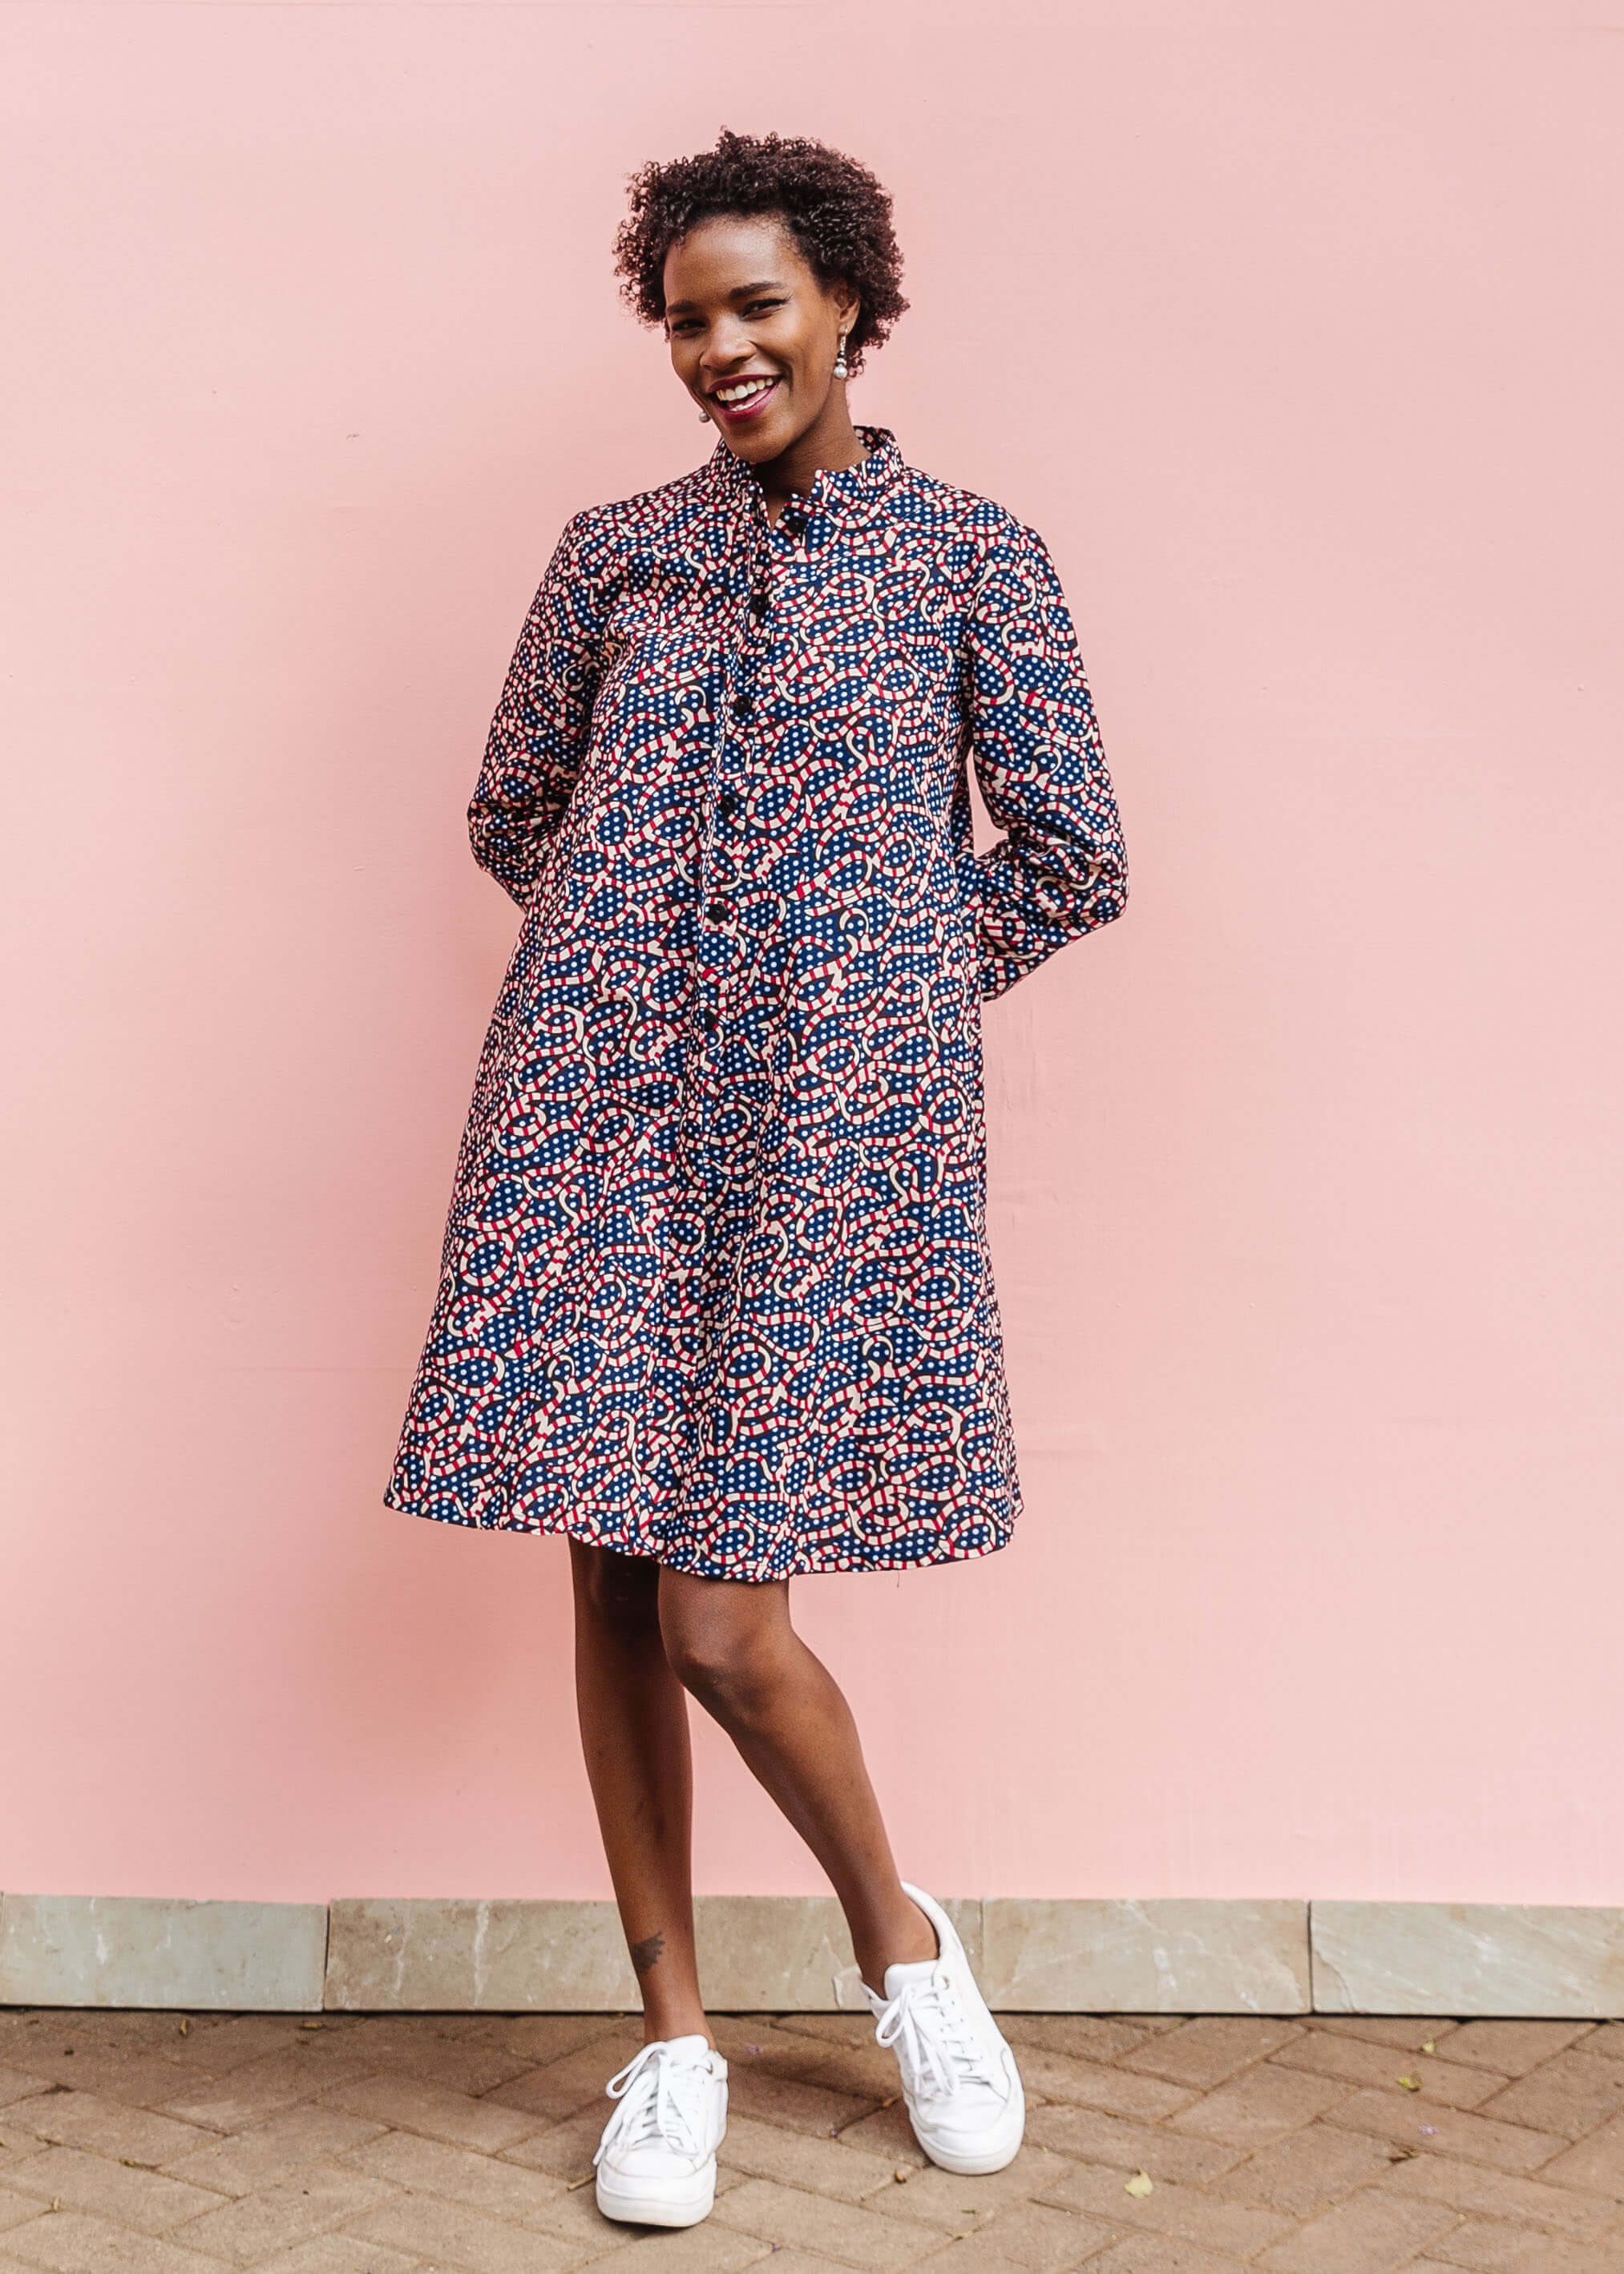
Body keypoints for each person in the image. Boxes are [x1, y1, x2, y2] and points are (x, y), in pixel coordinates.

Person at [383, 127, 1129, 2229]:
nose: (720, 347)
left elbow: (1074, 857)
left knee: (728, 1613)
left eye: (756, 306)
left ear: (846, 305)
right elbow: (512, 805)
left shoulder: (973, 551)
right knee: (611, 1569)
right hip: (593, 1113)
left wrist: (866, 983)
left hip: (834, 1129)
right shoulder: (612, 550)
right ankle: (671, 2041)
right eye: (687, 315)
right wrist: (643, 962)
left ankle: (901, 1948)